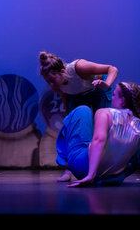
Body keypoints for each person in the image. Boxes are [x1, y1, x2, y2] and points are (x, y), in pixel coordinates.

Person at [39, 51, 118, 181]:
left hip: (98, 88)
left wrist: (106, 84)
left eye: (52, 81)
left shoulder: (79, 68)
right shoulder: (58, 85)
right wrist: (68, 119)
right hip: (78, 94)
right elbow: (65, 97)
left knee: (103, 126)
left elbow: (112, 69)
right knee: (71, 129)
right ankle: (68, 170)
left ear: (63, 72)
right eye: (48, 82)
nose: (51, 85)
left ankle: (106, 166)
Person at [55, 82, 140, 187]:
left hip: (86, 170)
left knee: (82, 110)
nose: (112, 98)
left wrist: (90, 175)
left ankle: (66, 165)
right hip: (115, 178)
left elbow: (99, 141)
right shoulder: (138, 123)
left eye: (113, 95)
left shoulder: (105, 113)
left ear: (122, 100)